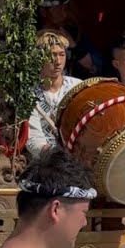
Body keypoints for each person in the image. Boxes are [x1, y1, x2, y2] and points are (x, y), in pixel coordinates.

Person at [26, 30, 84, 160]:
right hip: (45, 160)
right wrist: (53, 155)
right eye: (52, 55)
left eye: (62, 55)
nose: (58, 61)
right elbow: (33, 137)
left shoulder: (77, 87)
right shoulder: (29, 94)